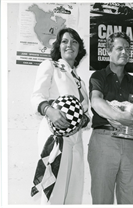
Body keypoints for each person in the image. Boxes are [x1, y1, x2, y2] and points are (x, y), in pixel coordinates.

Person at [88, 32, 133, 204]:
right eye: (119, 48)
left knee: (129, 198)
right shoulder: (98, 76)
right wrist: (120, 116)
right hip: (104, 140)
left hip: (130, 143)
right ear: (108, 51)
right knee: (101, 198)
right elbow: (96, 101)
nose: (124, 52)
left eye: (127, 49)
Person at [31, 27, 90, 204]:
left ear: (79, 48)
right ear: (58, 46)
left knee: (73, 194)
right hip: (54, 138)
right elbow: (36, 97)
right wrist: (50, 111)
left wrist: (82, 120)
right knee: (53, 193)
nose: (69, 45)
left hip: (76, 141)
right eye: (64, 41)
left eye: (74, 42)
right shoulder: (50, 66)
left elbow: (85, 115)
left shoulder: (81, 81)